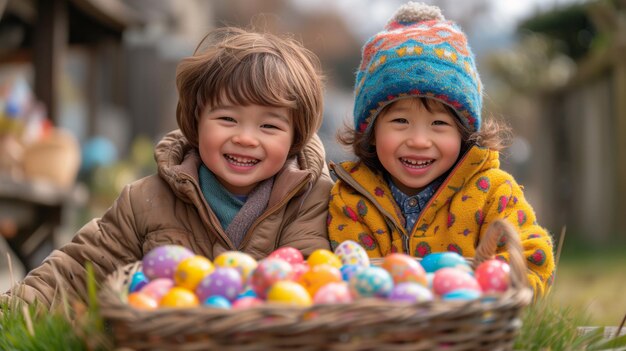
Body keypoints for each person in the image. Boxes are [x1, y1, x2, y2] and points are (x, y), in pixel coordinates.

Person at [3, 26, 332, 309]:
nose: (245, 138)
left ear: (295, 137)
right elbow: (80, 268)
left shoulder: (311, 199)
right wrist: (13, 313)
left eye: (269, 127)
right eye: (227, 119)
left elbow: (317, 279)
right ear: (196, 121)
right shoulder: (147, 200)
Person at [327, 2, 554, 297]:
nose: (419, 140)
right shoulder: (351, 199)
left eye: (438, 123)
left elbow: (534, 258)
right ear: (371, 132)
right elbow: (349, 278)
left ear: (464, 133)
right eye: (400, 120)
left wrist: (487, 291)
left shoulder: (493, 193)